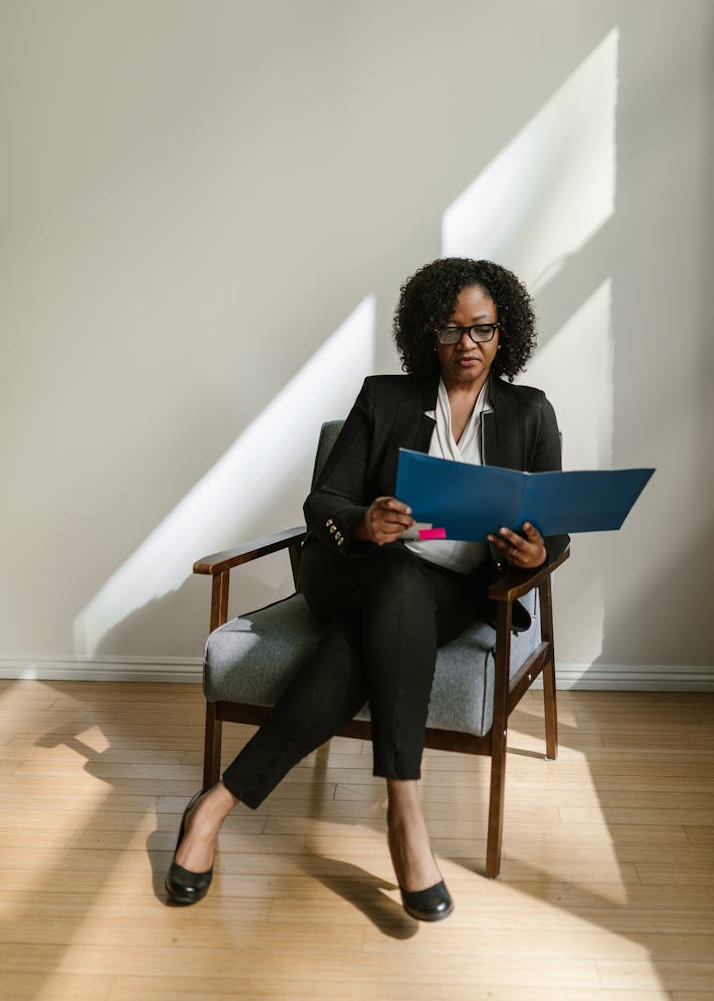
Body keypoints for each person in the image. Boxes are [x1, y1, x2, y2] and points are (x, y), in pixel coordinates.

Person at [166, 257, 569, 920]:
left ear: (505, 334)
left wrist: (537, 547)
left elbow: (552, 524)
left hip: (455, 590)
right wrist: (364, 518)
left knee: (371, 631)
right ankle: (406, 813)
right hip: (354, 571)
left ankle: (216, 804)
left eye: (482, 329)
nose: (466, 343)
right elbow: (320, 499)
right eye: (451, 329)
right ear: (427, 334)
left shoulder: (530, 413)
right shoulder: (385, 398)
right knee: (397, 574)